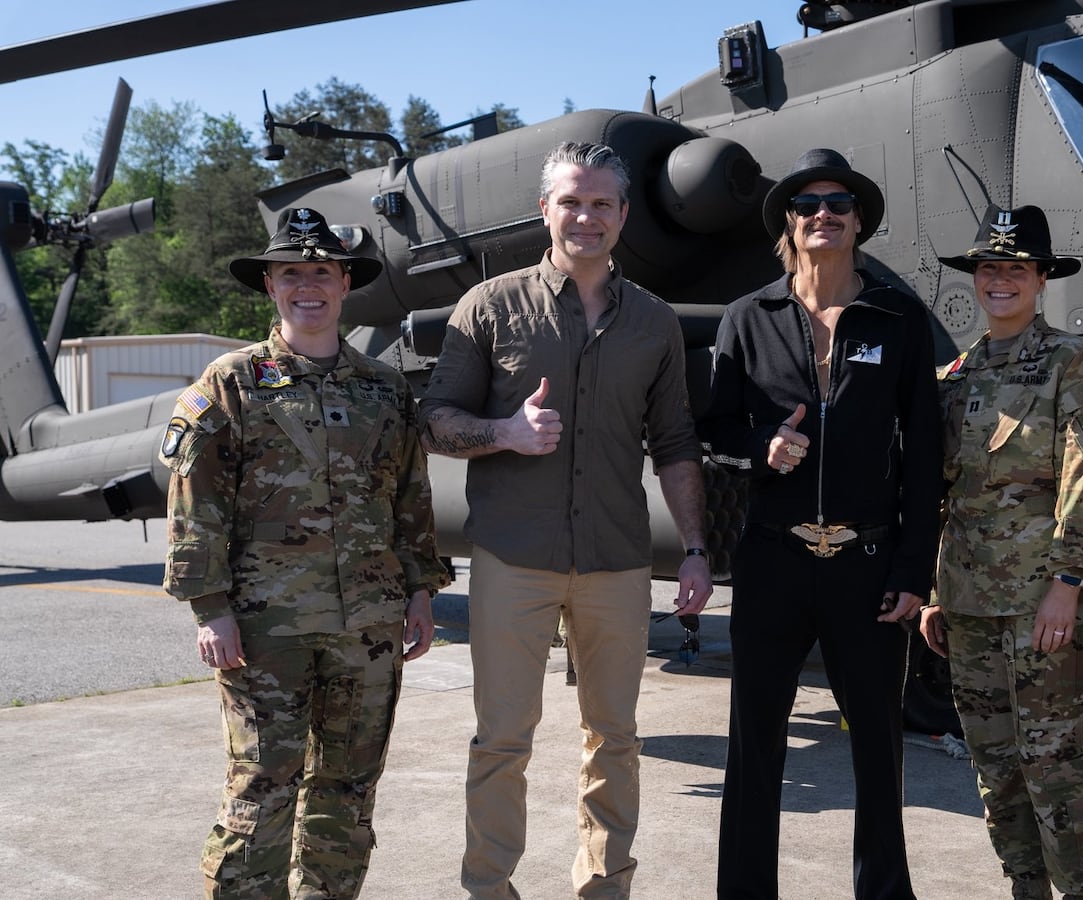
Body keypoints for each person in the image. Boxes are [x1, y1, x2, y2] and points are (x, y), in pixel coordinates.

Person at [418, 140, 712, 900]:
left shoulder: (653, 322)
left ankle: (604, 885)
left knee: (614, 739)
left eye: (603, 203)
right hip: (515, 556)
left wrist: (695, 547)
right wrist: (505, 434)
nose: (587, 216)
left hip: (615, 559)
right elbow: (437, 420)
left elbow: (675, 441)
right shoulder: (488, 305)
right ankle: (489, 887)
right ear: (545, 210)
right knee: (503, 740)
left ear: (622, 214)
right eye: (572, 201)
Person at [160, 206, 451, 898]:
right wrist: (210, 608)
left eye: (321, 271)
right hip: (266, 628)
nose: (307, 286)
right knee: (262, 787)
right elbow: (195, 502)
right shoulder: (231, 384)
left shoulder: (384, 390)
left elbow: (408, 496)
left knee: (348, 792)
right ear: (270, 286)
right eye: (291, 273)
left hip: (369, 628)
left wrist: (419, 591)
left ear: (345, 281)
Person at [699, 148, 943, 900]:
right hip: (774, 562)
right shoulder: (749, 317)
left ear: (858, 220)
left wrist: (911, 571)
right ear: (788, 224)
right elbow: (714, 430)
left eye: (839, 203)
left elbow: (927, 453)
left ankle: (884, 893)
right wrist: (762, 448)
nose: (824, 215)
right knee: (756, 744)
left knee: (879, 748)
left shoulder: (897, 319)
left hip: (866, 566)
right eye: (807, 206)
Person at [919, 205, 1083, 900]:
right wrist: (938, 590)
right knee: (995, 767)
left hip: (1045, 605)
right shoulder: (959, 372)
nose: (1000, 280)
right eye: (989, 268)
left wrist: (1068, 581)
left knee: (1054, 764)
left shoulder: (1072, 362)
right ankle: (1026, 889)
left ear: (1040, 279)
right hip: (970, 605)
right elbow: (947, 492)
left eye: (1015, 268)